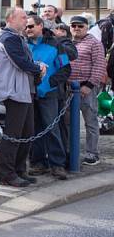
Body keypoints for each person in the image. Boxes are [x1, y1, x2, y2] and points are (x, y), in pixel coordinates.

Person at [0, 7, 46, 187]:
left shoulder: (17, 38)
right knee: (13, 135)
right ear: (11, 19)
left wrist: (36, 66)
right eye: (23, 17)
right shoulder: (9, 38)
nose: (26, 21)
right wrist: (38, 68)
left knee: (26, 132)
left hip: (24, 91)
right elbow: (21, 62)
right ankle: (7, 174)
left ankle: (19, 170)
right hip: (14, 92)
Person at [25, 15, 71, 179]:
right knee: (33, 129)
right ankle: (37, 162)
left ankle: (57, 164)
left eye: (30, 26)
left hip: (49, 93)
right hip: (29, 94)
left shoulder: (55, 44)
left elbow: (65, 69)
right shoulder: (24, 44)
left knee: (52, 128)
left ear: (40, 26)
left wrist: (48, 84)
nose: (27, 29)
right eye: (26, 27)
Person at [68, 15, 106, 166]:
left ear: (87, 27)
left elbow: (99, 66)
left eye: (80, 26)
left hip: (86, 88)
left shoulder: (94, 44)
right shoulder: (67, 43)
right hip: (69, 88)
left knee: (90, 122)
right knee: (68, 122)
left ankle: (92, 153)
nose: (76, 28)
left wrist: (88, 86)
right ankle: (70, 151)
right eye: (74, 26)